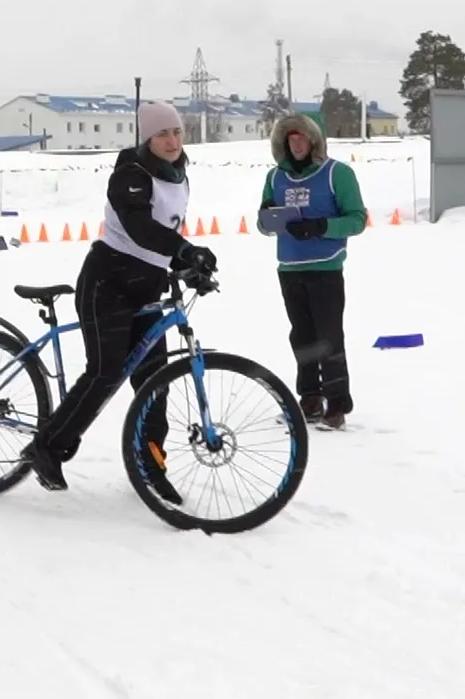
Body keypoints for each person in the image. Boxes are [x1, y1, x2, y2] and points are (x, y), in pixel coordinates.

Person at [22, 101, 216, 496]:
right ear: (147, 137)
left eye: (176, 132)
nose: (172, 140)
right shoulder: (130, 174)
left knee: (155, 382)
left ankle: (150, 462)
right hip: (107, 283)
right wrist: (182, 249)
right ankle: (46, 447)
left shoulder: (178, 173)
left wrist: (185, 267)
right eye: (162, 134)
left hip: (146, 286)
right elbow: (141, 226)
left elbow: (165, 229)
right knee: (106, 372)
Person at [257, 111, 366, 429]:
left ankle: (337, 405)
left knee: (329, 337)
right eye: (290, 138)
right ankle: (310, 400)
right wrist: (267, 218)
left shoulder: (338, 174)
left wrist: (321, 226)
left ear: (314, 139)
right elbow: (263, 223)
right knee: (302, 338)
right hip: (289, 268)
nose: (296, 143)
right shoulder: (275, 178)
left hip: (326, 267)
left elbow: (357, 219)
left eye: (301, 136)